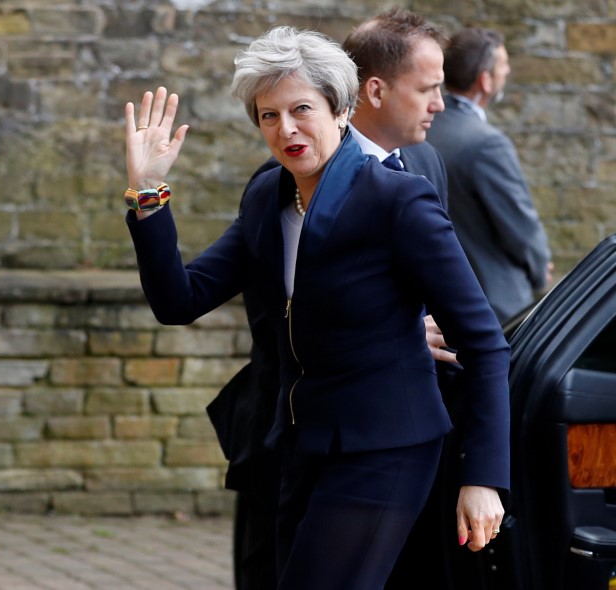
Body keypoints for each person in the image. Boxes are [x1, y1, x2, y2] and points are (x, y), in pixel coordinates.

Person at [123, 26, 510, 590]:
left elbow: (483, 342)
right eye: (268, 116)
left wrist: (483, 478)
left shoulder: (397, 199)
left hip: (387, 447)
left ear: (343, 108)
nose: (287, 129)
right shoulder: (266, 197)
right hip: (299, 446)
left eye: (302, 108)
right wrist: (149, 193)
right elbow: (179, 300)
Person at [209, 9, 458, 589]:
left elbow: (451, 298)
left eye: (300, 110)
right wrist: (148, 198)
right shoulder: (272, 186)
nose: (439, 103)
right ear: (369, 92)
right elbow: (269, 308)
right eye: (426, 88)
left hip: (394, 435)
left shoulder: (423, 167)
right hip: (289, 429)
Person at [426, 27, 553, 325]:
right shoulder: (486, 143)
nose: (507, 71)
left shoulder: (424, 129)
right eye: (503, 65)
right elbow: (519, 224)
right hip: (494, 305)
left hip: (436, 301)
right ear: (485, 80)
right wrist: (539, 267)